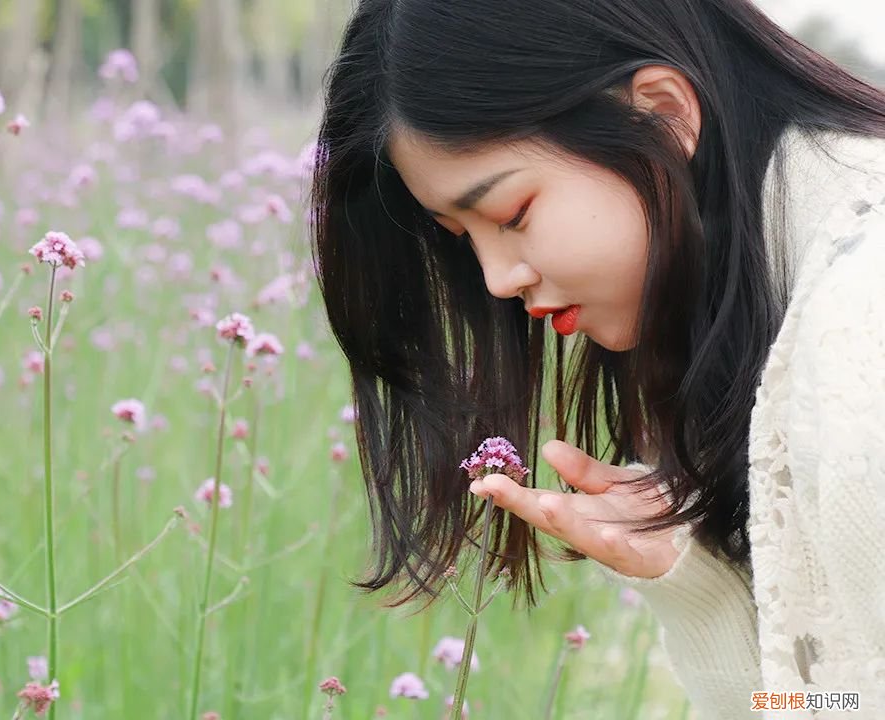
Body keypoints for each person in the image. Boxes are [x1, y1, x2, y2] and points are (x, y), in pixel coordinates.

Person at [307, 0, 885, 718]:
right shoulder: (794, 284)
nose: (497, 281)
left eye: (513, 214)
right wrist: (700, 589)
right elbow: (841, 703)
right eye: (463, 238)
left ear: (664, 112)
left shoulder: (862, 332)